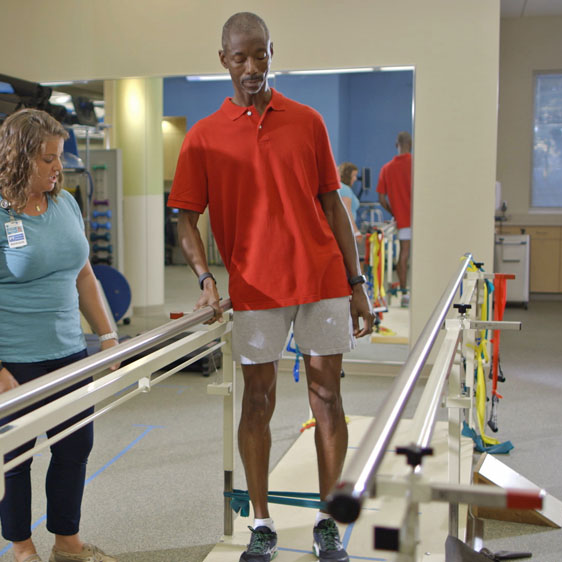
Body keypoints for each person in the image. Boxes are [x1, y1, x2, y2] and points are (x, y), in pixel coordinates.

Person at [167, 12, 375, 562]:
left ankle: (327, 521)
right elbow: (185, 217)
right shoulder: (204, 137)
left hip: (323, 277)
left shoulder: (307, 122)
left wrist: (356, 283)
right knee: (257, 401)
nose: (253, 67)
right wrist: (208, 279)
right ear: (223, 60)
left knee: (327, 398)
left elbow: (332, 203)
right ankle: (261, 522)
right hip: (255, 287)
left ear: (271, 52)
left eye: (261, 55)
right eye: (241, 57)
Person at [0, 109, 118, 562]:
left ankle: (67, 543)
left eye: (58, 157)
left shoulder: (64, 203)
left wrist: (107, 336)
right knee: (16, 454)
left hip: (66, 349)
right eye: (47, 159)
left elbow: (84, 274)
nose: (57, 168)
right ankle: (22, 549)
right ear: (18, 158)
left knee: (74, 446)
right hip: (10, 356)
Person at [376, 132, 412, 306]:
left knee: (403, 255)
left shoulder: (387, 168)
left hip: (403, 220)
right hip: (420, 218)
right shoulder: (417, 164)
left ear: (395, 144)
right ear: (411, 145)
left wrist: (396, 212)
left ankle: (405, 294)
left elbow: (381, 199)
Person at [337, 162, 362, 236]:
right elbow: (347, 212)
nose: (355, 178)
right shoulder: (345, 189)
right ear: (347, 175)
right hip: (346, 230)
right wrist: (356, 232)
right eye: (354, 175)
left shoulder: (341, 187)